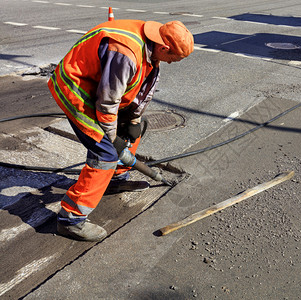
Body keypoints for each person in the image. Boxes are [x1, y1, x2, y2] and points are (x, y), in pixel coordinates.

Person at [48, 19, 194, 241]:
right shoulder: (126, 53)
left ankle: (116, 179)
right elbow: (107, 102)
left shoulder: (152, 46)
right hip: (77, 89)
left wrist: (133, 121)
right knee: (104, 153)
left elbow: (145, 86)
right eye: (174, 58)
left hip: (100, 89)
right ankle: (71, 219)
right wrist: (112, 138)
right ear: (164, 47)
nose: (174, 63)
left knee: (132, 130)